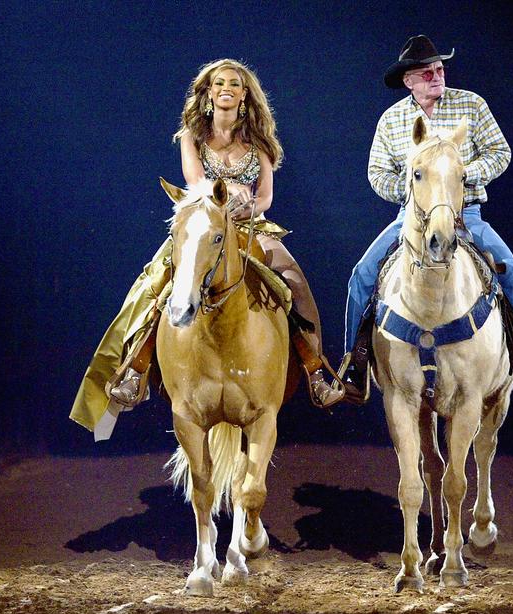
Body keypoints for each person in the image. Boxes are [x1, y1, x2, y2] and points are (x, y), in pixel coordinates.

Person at [71, 59, 342, 437]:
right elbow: (196, 184)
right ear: (209, 92)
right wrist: (226, 196)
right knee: (156, 283)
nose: (227, 88)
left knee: (295, 282)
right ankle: (136, 367)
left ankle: (315, 370)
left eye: (234, 83)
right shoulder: (192, 137)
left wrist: (250, 205)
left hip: (250, 227)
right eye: (219, 83)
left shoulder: (259, 141)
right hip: (204, 227)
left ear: (244, 93)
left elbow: (265, 197)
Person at [341, 35, 513, 403]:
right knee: (362, 274)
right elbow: (377, 172)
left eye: (439, 70)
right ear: (408, 80)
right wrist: (411, 192)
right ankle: (354, 365)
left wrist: (462, 175)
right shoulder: (392, 121)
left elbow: (499, 152)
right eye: (426, 73)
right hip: (410, 217)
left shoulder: (471, 105)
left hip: (464, 214)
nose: (436, 76)